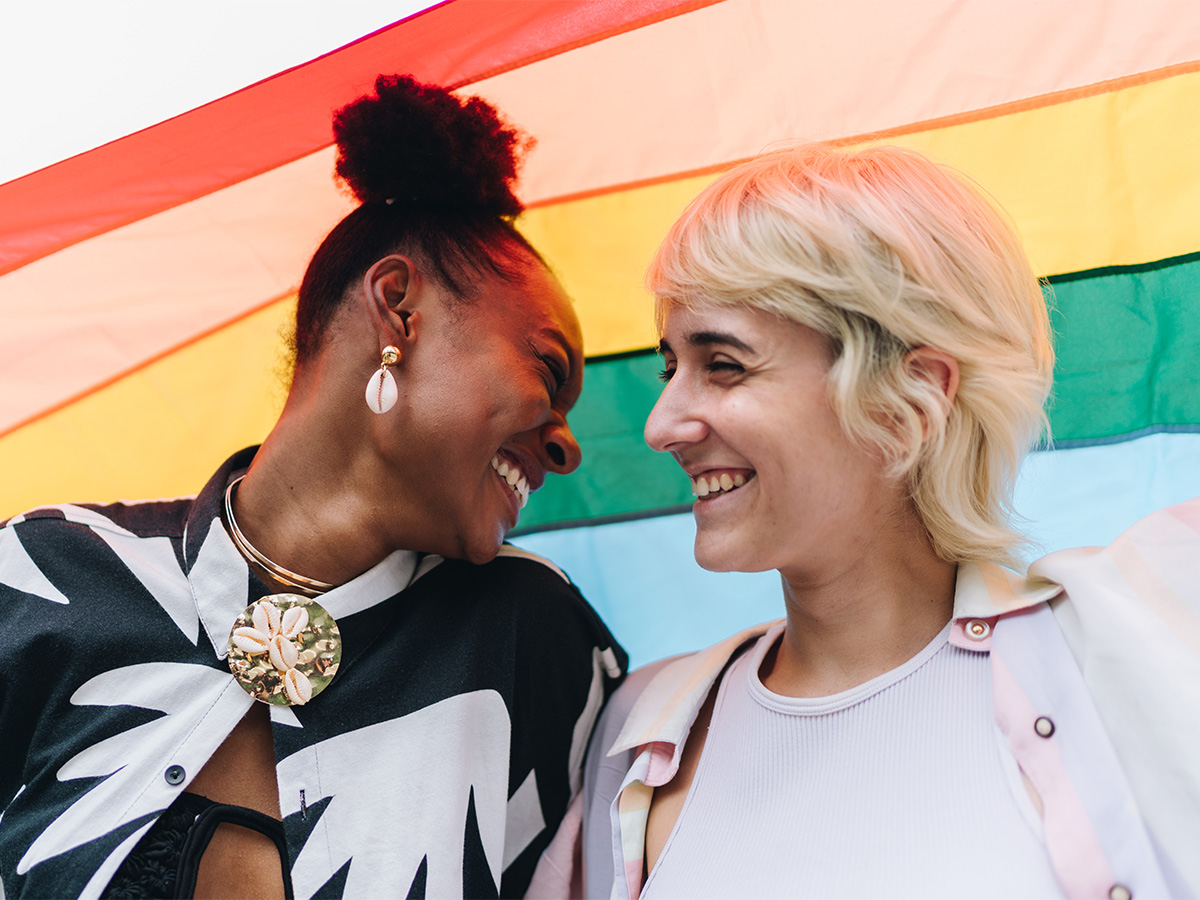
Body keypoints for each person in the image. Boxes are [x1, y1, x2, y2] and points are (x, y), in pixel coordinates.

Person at [0, 76, 625, 900]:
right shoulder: (42, 575)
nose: (567, 446)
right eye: (548, 368)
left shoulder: (539, 643)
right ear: (398, 308)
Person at [529, 143, 1199, 899]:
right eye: (670, 367)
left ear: (910, 397)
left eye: (723, 364)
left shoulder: (1129, 641)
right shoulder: (640, 726)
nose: (660, 425)